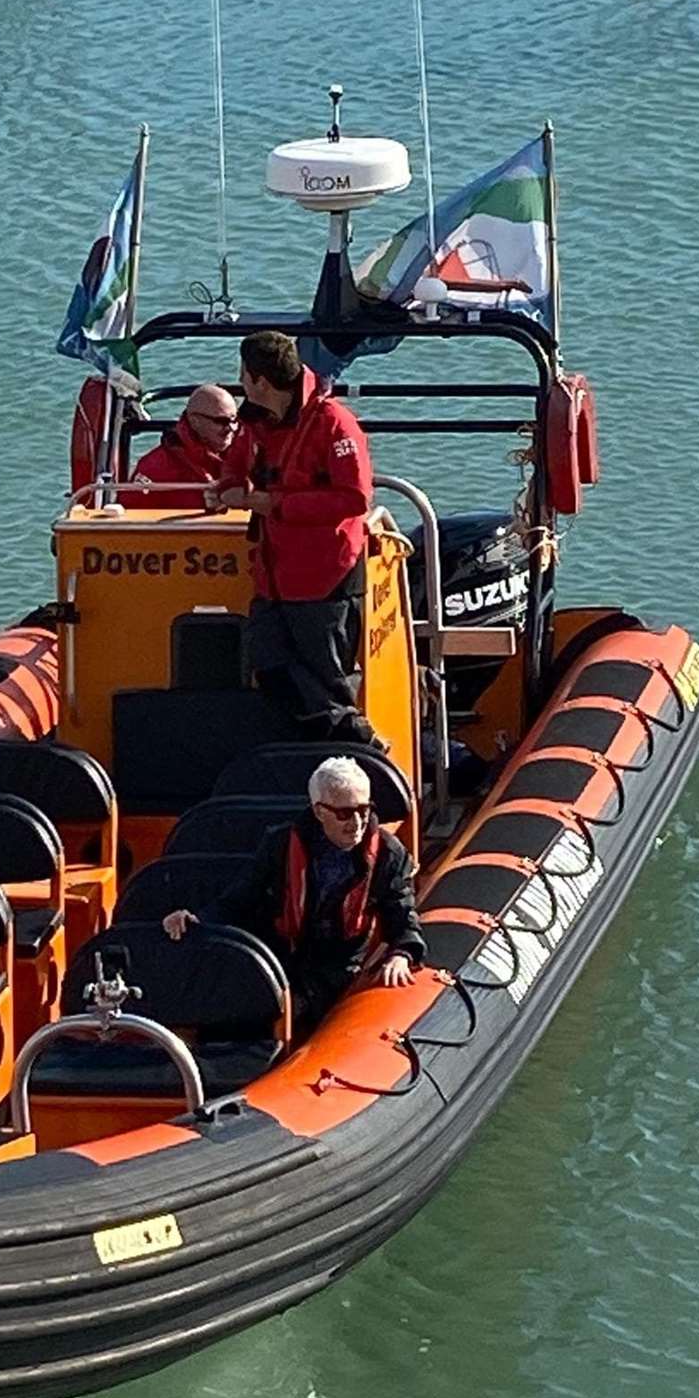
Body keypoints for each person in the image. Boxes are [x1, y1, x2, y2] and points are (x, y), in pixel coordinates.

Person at [162, 757, 425, 1033]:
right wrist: (198, 919)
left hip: (340, 968)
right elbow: (240, 898)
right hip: (282, 957)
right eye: (345, 813)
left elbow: (403, 913)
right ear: (319, 811)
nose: (358, 823)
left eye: (364, 810)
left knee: (289, 1009)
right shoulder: (280, 844)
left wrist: (402, 953)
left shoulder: (388, 854)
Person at [213, 331, 383, 749]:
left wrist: (276, 504)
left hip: (325, 575)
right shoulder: (255, 420)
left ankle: (359, 751)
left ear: (260, 381)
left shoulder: (333, 423)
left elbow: (355, 497)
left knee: (328, 674)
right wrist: (229, 487)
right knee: (267, 661)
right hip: (275, 573)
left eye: (243, 375)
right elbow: (236, 465)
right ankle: (338, 741)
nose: (240, 383)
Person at [122, 384, 239, 509]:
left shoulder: (250, 456)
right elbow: (130, 519)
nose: (231, 428)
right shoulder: (155, 468)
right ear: (195, 421)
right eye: (221, 421)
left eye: (234, 420)